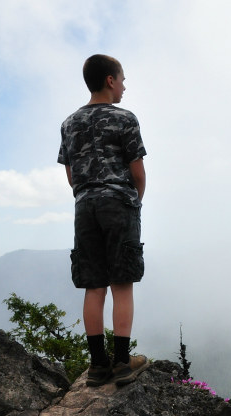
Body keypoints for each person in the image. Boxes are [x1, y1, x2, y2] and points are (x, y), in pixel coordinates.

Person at [58, 54, 150, 387]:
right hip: (118, 204)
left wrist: (88, 194)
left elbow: (71, 175)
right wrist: (133, 203)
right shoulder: (125, 119)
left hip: (84, 207)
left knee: (93, 285)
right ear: (110, 80)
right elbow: (137, 172)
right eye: (122, 79)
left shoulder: (69, 123)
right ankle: (123, 363)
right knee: (121, 283)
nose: (124, 86)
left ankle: (97, 365)